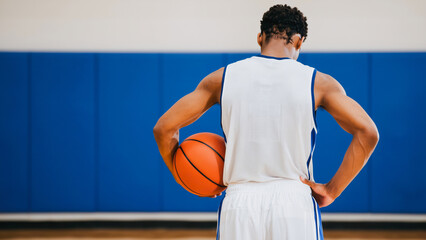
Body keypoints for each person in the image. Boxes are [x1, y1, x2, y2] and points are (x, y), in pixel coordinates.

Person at [153, 4, 379, 240]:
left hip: (239, 204)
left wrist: (185, 176)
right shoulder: (319, 83)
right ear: (299, 42)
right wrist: (331, 191)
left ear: (260, 37)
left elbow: (164, 128)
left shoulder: (221, 79)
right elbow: (368, 132)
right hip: (294, 204)